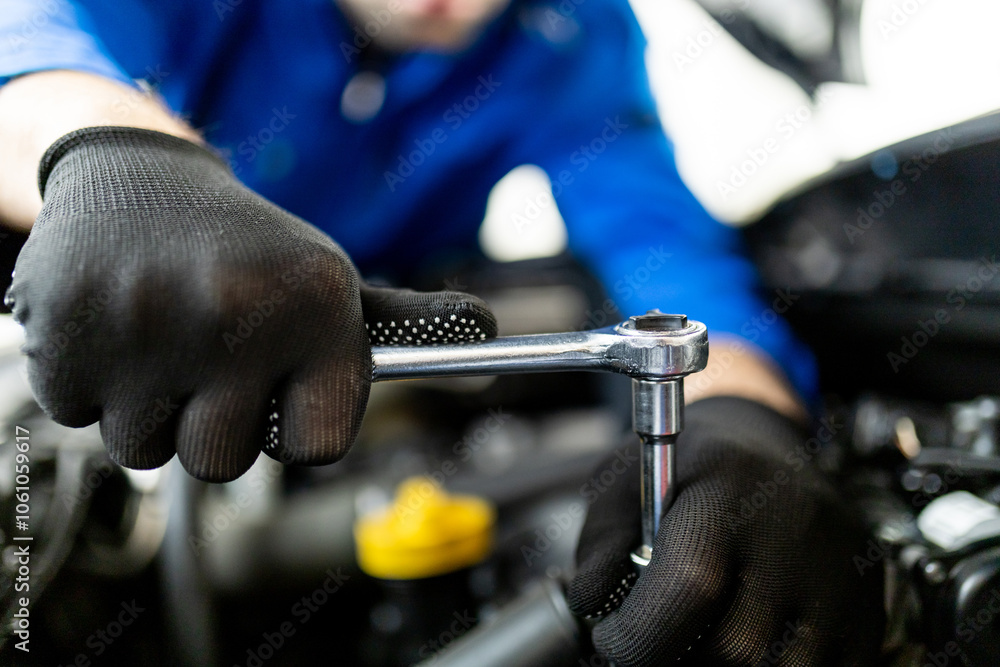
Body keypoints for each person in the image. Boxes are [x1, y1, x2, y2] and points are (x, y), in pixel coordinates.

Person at [0, 0, 884, 664]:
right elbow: (32, 35)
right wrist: (114, 164)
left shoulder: (569, 31)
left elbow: (666, 251)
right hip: (132, 316)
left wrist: (744, 421)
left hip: (377, 359)